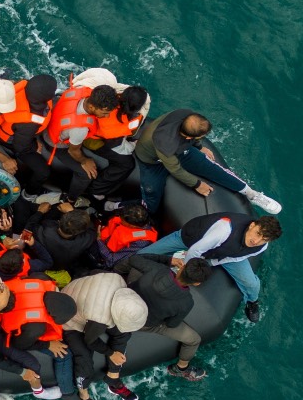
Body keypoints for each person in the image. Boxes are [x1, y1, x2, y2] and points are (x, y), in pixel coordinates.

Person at [139, 212, 282, 322]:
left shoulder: (261, 245)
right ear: (252, 225)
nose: (257, 241)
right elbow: (195, 250)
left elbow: (237, 257)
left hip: (225, 253)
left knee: (252, 284)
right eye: (258, 233)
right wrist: (188, 272)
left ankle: (251, 302)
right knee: (142, 255)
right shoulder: (224, 229)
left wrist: (211, 263)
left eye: (264, 239)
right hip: (191, 240)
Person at [135, 109, 281, 214]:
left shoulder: (185, 115)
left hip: (178, 150)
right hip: (152, 161)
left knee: (212, 167)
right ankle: (146, 215)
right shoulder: (165, 143)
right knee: (152, 192)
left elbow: (193, 138)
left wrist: (199, 147)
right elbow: (175, 169)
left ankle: (251, 194)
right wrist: (197, 184)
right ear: (187, 137)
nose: (205, 136)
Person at [116, 255, 214, 380]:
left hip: (126, 299)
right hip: (142, 323)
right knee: (194, 340)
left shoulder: (159, 269)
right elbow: (172, 324)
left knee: (137, 268)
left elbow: (134, 259)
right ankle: (180, 368)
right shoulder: (186, 302)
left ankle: (116, 271)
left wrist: (168, 260)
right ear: (197, 283)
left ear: (182, 266)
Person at [61, 272, 150, 400]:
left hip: (79, 292)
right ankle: (83, 395)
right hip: (69, 319)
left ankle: (112, 377)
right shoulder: (100, 318)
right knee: (84, 357)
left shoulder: (119, 280)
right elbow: (89, 340)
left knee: (123, 333)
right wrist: (111, 353)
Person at [43, 84, 121, 202]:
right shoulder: (80, 129)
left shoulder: (80, 92)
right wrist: (84, 161)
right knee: (85, 175)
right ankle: (71, 198)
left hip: (55, 122)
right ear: (91, 106)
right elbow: (73, 151)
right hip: (55, 143)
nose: (107, 115)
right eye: (104, 112)